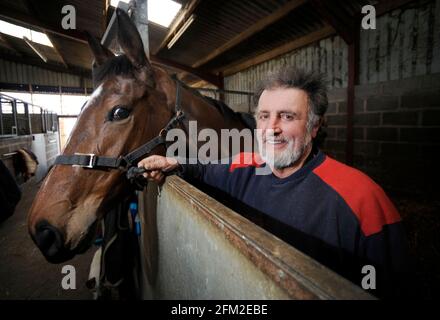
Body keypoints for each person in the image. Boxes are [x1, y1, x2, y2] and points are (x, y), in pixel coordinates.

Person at [137, 68, 412, 298]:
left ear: (314, 127)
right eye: (264, 116)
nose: (272, 128)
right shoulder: (244, 166)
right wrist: (176, 163)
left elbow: (394, 288)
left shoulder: (362, 197)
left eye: (288, 116)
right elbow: (204, 169)